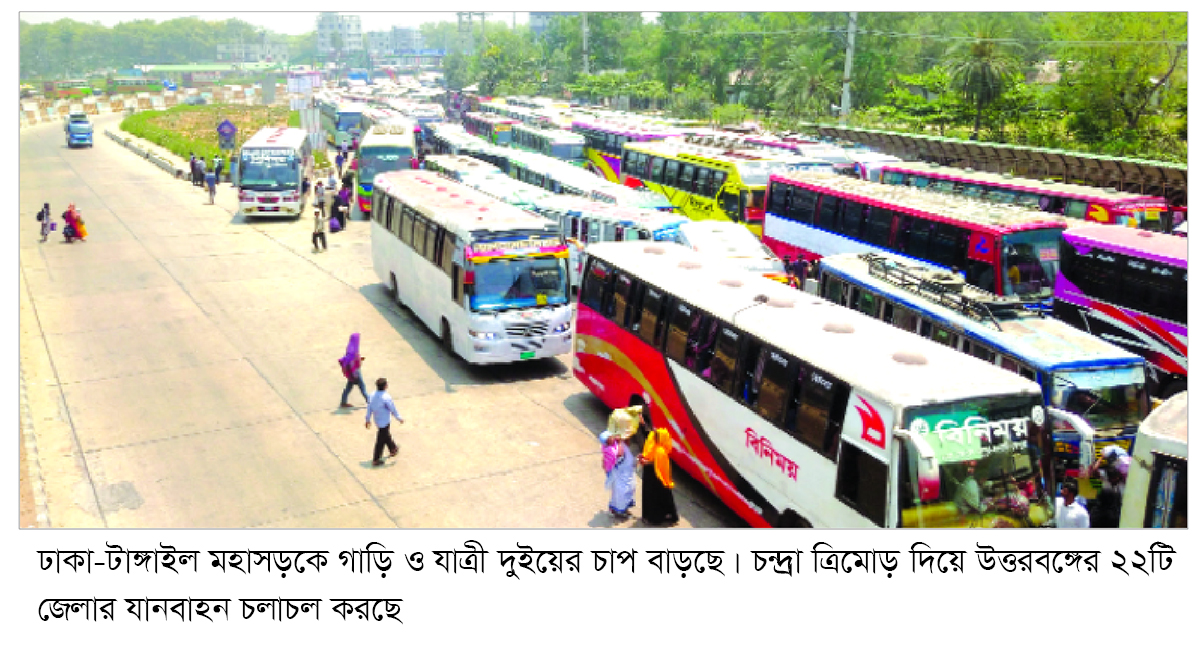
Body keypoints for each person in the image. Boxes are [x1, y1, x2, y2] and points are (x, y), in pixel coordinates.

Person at [599, 405, 642, 521]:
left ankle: (620, 509)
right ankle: (618, 511)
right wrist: (620, 439)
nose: (613, 437)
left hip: (626, 474)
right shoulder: (613, 450)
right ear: (607, 442)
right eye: (610, 438)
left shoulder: (616, 445)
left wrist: (624, 436)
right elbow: (620, 453)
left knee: (626, 492)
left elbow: (626, 444)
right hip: (621, 477)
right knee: (621, 494)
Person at [638, 427, 678, 526]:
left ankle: (654, 519)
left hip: (655, 479)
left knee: (653, 499)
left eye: (656, 435)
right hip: (658, 479)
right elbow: (649, 434)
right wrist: (643, 424)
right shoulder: (656, 444)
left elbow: (656, 464)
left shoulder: (660, 451)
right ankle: (667, 516)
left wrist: (645, 461)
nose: (653, 435)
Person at [364, 377, 403, 467]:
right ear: (385, 386)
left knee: (385, 435)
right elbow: (392, 409)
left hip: (377, 420)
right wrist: (399, 418)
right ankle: (376, 459)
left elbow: (369, 408)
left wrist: (367, 419)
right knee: (380, 441)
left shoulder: (372, 395)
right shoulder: (386, 397)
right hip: (385, 421)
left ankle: (393, 448)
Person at [338, 333, 369, 408]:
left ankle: (343, 402)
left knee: (349, 387)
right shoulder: (354, 349)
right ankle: (370, 402)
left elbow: (349, 359)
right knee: (362, 387)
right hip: (355, 372)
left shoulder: (350, 347)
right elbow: (352, 361)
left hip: (351, 372)